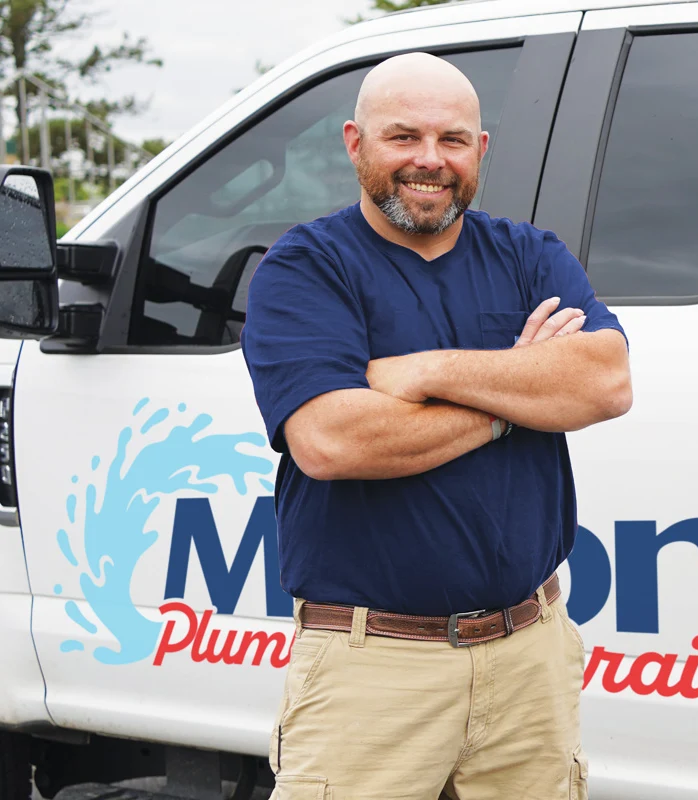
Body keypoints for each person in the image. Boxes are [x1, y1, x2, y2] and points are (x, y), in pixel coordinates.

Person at [241, 52, 632, 800]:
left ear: (479, 151)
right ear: (355, 144)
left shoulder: (528, 255)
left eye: (453, 139)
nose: (430, 161)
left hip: (530, 656)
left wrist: (421, 373)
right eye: (403, 137)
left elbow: (605, 381)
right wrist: (513, 393)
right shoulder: (306, 269)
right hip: (373, 667)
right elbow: (332, 440)